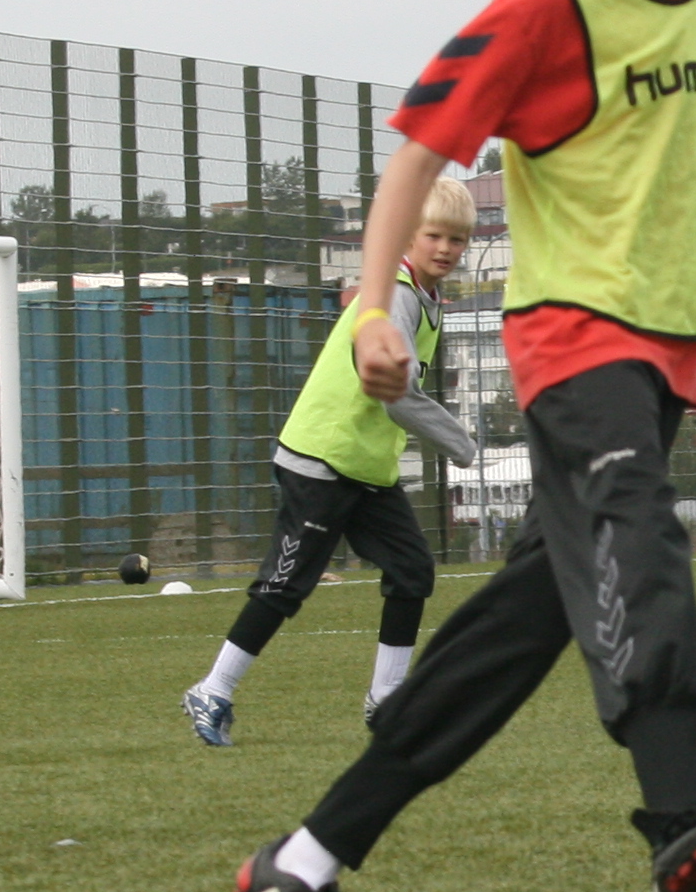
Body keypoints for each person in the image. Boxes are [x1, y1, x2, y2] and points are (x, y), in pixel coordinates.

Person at [233, 0, 696, 892]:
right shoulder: (541, 0)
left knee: (519, 629)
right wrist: (372, 308)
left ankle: (304, 859)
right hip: (574, 340)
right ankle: (681, 820)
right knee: (638, 531)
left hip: (667, 349)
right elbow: (416, 155)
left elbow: (689, 139)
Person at [182, 176, 480, 745]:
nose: (446, 248)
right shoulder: (396, 295)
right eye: (434, 235)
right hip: (322, 458)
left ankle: (387, 702)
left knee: (412, 571)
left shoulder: (426, 298)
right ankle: (213, 689)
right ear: (407, 235)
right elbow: (397, 396)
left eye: (457, 239)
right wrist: (462, 445)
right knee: (286, 584)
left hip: (365, 469)